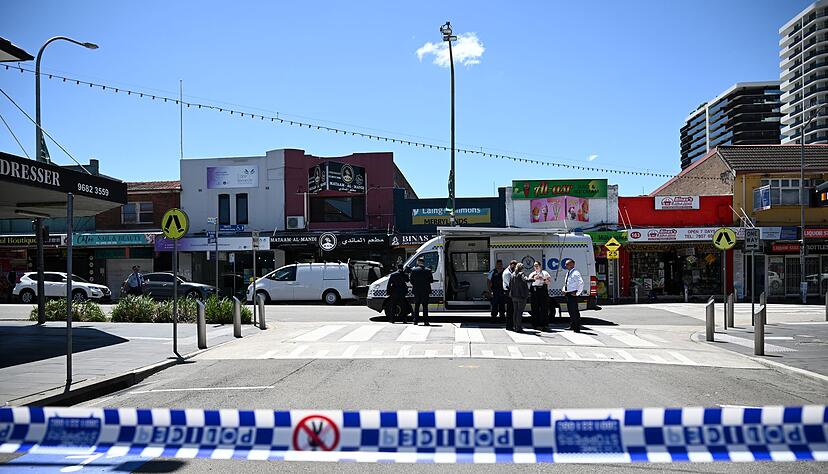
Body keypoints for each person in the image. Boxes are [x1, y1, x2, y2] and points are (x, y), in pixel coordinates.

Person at [409, 257, 434, 326]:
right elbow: (431, 280)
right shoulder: (428, 270)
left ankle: (416, 321)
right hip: (425, 291)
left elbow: (411, 281)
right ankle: (426, 321)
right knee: (425, 306)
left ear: (418, 262)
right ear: (423, 263)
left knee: (417, 306)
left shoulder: (414, 270)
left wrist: (416, 285)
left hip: (417, 290)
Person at [562, 258, 584, 333]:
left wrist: (577, 293)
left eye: (567, 264)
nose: (565, 265)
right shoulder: (568, 273)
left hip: (572, 294)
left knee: (574, 311)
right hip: (568, 293)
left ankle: (577, 327)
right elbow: (566, 283)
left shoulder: (575, 273)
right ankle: (572, 325)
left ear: (572, 264)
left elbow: (581, 283)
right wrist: (564, 290)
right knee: (570, 311)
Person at [528, 261, 551, 330]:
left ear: (540, 266)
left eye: (537, 265)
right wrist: (534, 278)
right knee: (534, 308)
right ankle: (535, 324)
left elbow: (549, 282)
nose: (536, 267)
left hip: (542, 290)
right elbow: (529, 282)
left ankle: (544, 324)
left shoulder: (545, 273)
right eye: (534, 266)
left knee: (544, 308)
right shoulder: (532, 274)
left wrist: (543, 279)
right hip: (534, 291)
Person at [509, 263, 529, 332]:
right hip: (521, 296)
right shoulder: (521, 274)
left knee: (515, 311)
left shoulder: (512, 274)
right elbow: (526, 280)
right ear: (522, 268)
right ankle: (518, 327)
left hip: (514, 295)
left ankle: (515, 326)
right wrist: (532, 279)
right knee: (519, 312)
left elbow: (510, 285)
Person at [502, 260, 517, 330]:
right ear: (511, 265)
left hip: (510, 291)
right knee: (510, 310)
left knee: (512, 310)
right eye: (514, 267)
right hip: (508, 292)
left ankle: (511, 325)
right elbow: (509, 284)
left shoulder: (510, 271)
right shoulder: (507, 273)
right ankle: (509, 326)